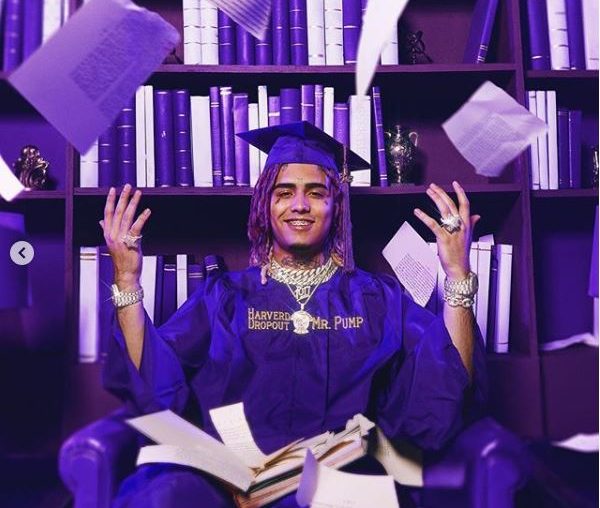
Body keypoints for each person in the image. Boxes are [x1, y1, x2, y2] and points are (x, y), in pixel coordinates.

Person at [99, 121, 487, 507]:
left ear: (336, 206)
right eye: (284, 193)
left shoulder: (378, 298)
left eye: (316, 193)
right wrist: (127, 280)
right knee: (162, 496)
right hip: (229, 482)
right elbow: (153, 379)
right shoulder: (225, 296)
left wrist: (457, 275)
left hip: (338, 478)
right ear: (265, 206)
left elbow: (447, 373)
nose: (300, 205)